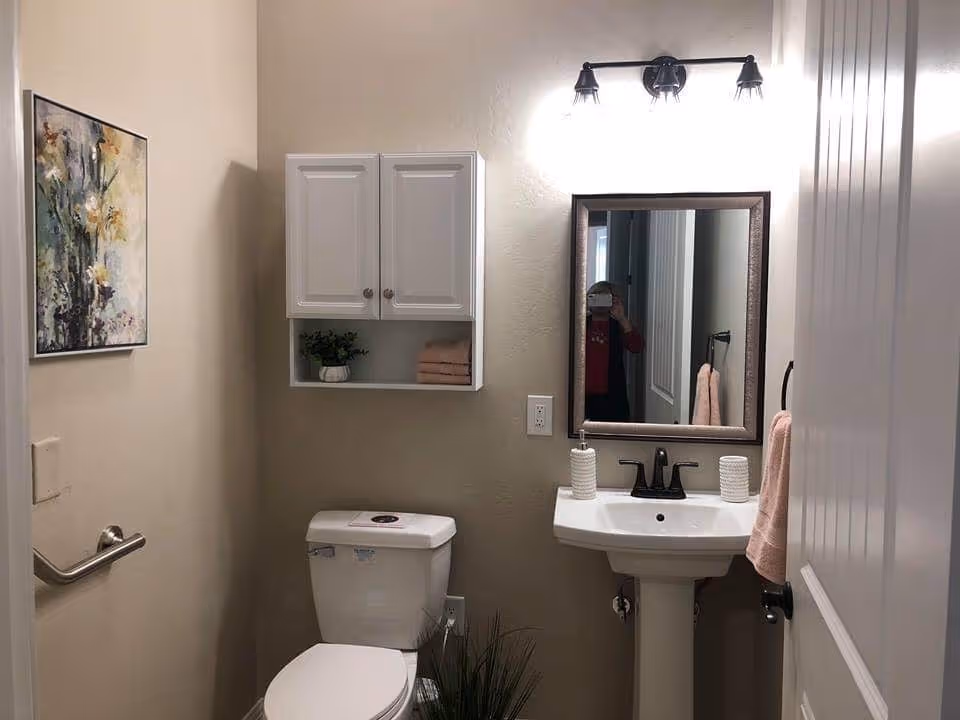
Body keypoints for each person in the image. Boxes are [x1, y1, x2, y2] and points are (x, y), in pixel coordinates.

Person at [585, 281, 645, 422]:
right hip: (584, 394)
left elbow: (637, 347)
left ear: (613, 301)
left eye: (605, 298)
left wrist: (622, 318)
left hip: (613, 394)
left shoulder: (618, 326)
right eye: (595, 298)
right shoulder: (581, 323)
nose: (600, 303)